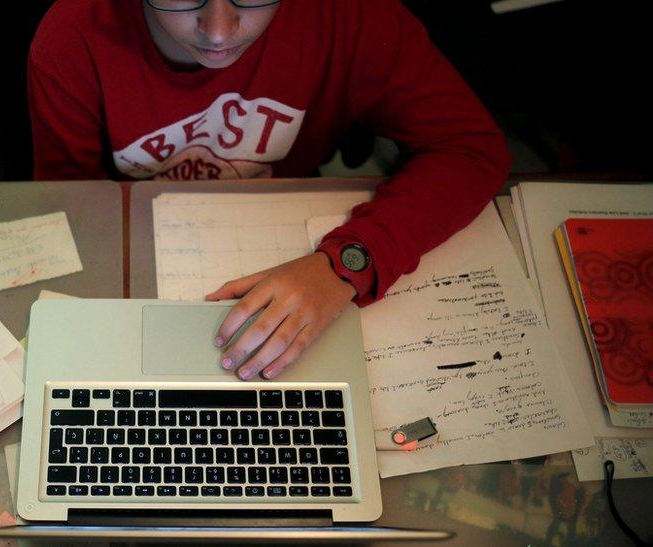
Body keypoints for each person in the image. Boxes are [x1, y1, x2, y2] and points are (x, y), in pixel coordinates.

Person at [28, 0, 511, 380]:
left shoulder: (353, 14)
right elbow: (68, 208)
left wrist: (347, 262)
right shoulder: (71, 36)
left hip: (296, 232)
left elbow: (471, 148)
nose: (218, 29)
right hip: (128, 243)